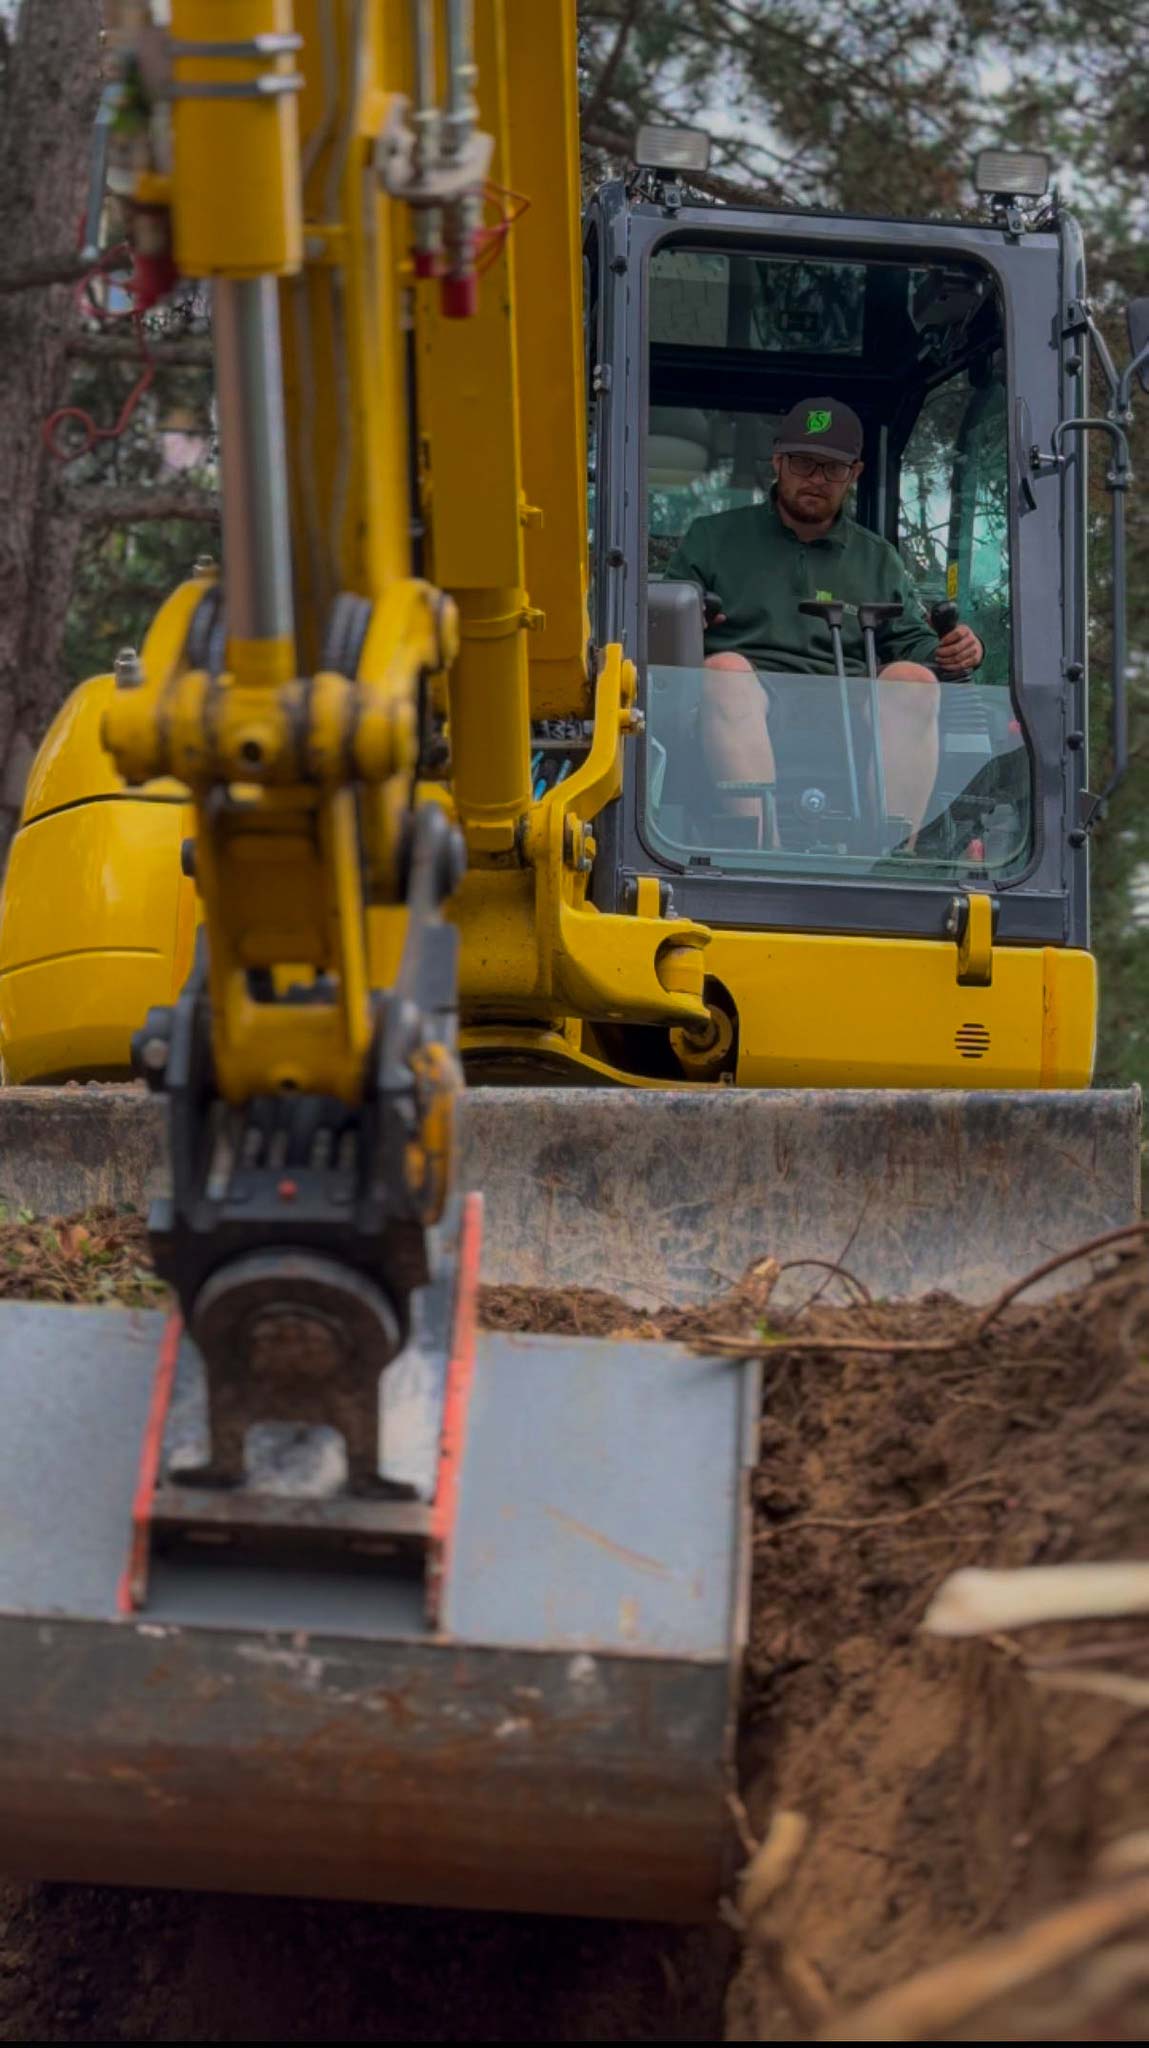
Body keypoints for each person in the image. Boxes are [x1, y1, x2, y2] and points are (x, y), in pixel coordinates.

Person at [664, 396, 984, 841]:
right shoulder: (714, 539)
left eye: (833, 468)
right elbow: (661, 625)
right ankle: (760, 851)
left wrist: (960, 648)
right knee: (725, 671)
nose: (816, 479)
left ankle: (890, 857)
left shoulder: (878, 559)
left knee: (913, 681)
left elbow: (917, 644)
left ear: (855, 474)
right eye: (803, 463)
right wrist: (689, 626)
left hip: (850, 706)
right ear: (777, 462)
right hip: (749, 700)